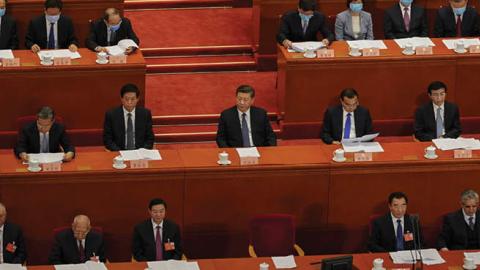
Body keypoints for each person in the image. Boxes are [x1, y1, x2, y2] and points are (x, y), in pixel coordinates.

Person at [103, 83, 154, 151]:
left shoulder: (145, 114)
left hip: (139, 153)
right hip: (119, 152)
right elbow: (107, 140)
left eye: (132, 99)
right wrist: (119, 152)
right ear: (121, 99)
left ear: (137, 99)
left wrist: (143, 150)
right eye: (126, 99)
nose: (129, 102)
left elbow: (150, 138)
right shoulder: (111, 115)